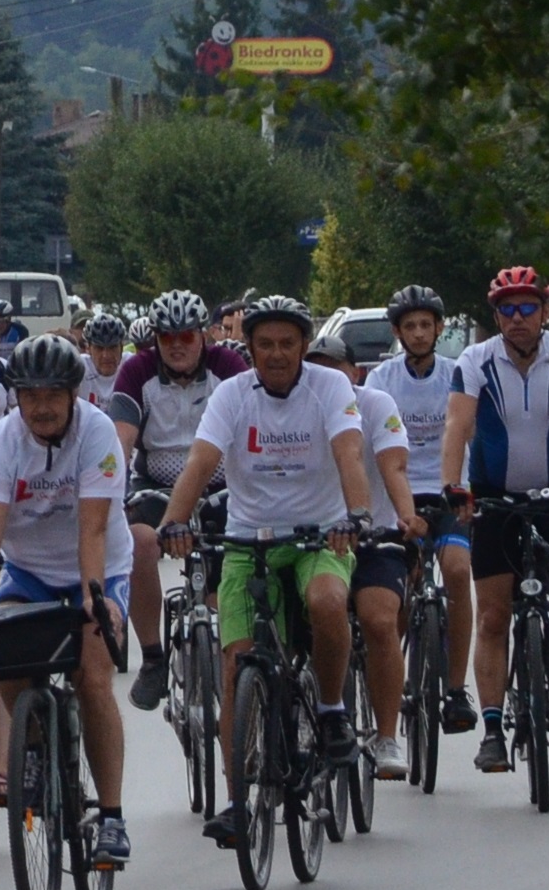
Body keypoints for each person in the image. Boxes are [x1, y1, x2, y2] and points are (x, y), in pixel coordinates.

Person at [157, 295, 372, 849]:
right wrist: (173, 522)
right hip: (248, 539)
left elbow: (349, 454)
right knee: (237, 666)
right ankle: (236, 801)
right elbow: (201, 461)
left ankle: (329, 710)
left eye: (287, 344)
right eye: (265, 345)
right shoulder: (232, 395)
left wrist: (358, 515)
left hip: (319, 535)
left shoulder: (330, 388)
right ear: (248, 348)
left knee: (327, 603)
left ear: (303, 346)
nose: (276, 354)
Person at [0, 335, 134, 864]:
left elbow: (94, 530)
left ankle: (111, 817)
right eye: (29, 395)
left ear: (73, 394)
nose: (40, 406)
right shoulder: (2, 441)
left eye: (52, 395)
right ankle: (33, 745)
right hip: (30, 571)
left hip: (99, 568)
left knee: (94, 677)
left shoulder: (97, 431)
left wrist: (95, 599)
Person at [440, 266, 549, 774]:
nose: (518, 319)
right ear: (496, 315)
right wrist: (455, 488)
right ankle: (493, 729)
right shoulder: (475, 359)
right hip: (493, 495)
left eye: (528, 308)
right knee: (493, 616)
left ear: (546, 310)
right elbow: (458, 425)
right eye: (508, 310)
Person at [108, 290, 250, 710]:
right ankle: (153, 656)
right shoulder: (136, 371)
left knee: (231, 566)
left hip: (222, 486)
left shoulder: (228, 366)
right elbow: (122, 439)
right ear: (155, 339)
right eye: (166, 337)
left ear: (203, 335)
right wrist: (112, 494)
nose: (177, 346)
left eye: (186, 336)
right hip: (157, 486)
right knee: (137, 542)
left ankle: (228, 658)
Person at [306, 332, 425, 780]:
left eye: (333, 371)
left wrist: (408, 516)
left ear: (354, 374)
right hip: (315, 541)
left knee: (378, 620)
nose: (324, 382)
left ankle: (388, 734)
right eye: (314, 371)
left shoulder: (376, 405)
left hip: (373, 533)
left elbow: (393, 466)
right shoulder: (298, 407)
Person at [369, 285, 479, 733]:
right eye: (409, 326)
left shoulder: (458, 374)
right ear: (397, 331)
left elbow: (475, 431)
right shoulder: (381, 379)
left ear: (439, 328)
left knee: (456, 570)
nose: (418, 334)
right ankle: (388, 686)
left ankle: (455, 690)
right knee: (396, 589)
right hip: (402, 495)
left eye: (426, 325)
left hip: (449, 491)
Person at [80, 312, 126, 408]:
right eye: (99, 348)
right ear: (88, 349)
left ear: (121, 348)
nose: (106, 355)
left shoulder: (131, 366)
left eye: (112, 347)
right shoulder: (79, 367)